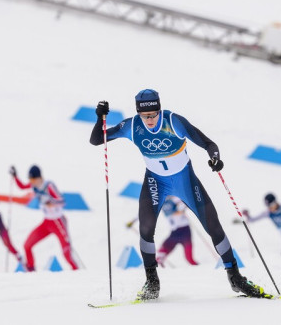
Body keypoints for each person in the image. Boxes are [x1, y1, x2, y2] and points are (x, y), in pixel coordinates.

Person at [89, 90, 267, 299]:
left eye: (154, 114)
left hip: (185, 180)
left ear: (160, 110)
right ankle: (152, 282)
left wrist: (215, 159)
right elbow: (96, 140)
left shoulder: (174, 122)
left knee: (214, 227)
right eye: (145, 116)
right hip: (156, 181)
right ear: (138, 113)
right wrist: (99, 118)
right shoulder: (132, 126)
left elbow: (209, 144)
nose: (150, 120)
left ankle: (235, 277)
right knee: (146, 229)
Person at [12, 165, 79, 272]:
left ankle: (77, 272)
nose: (32, 182)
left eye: (33, 179)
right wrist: (15, 176)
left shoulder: (49, 186)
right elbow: (22, 187)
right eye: (30, 180)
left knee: (66, 253)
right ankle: (31, 270)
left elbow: (62, 201)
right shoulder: (34, 185)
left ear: (39, 177)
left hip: (58, 221)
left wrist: (51, 203)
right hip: (46, 222)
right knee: (27, 245)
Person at [129, 196, 198, 267]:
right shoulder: (159, 201)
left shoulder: (175, 198)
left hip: (184, 231)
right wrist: (132, 221)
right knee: (160, 255)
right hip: (175, 232)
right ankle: (162, 272)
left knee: (189, 259)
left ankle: (202, 269)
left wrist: (183, 206)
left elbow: (187, 202)